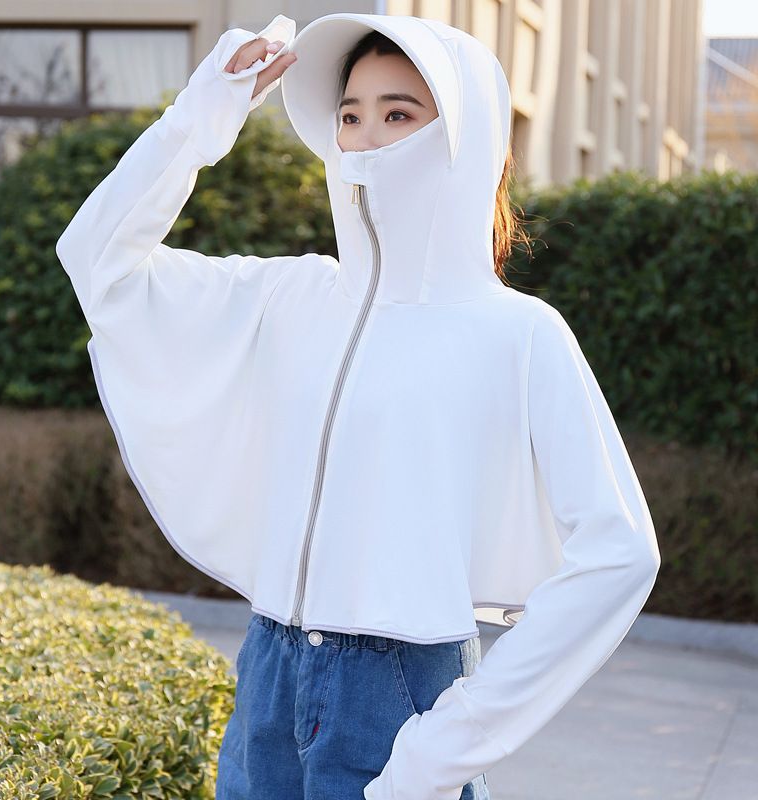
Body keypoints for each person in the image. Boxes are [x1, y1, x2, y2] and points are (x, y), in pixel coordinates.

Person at [55, 11, 661, 800]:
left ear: (464, 139)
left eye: (398, 114)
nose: (366, 138)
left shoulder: (518, 333)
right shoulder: (292, 295)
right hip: (269, 677)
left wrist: (447, 743)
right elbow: (96, 260)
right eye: (350, 116)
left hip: (401, 699)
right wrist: (200, 117)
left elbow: (620, 553)